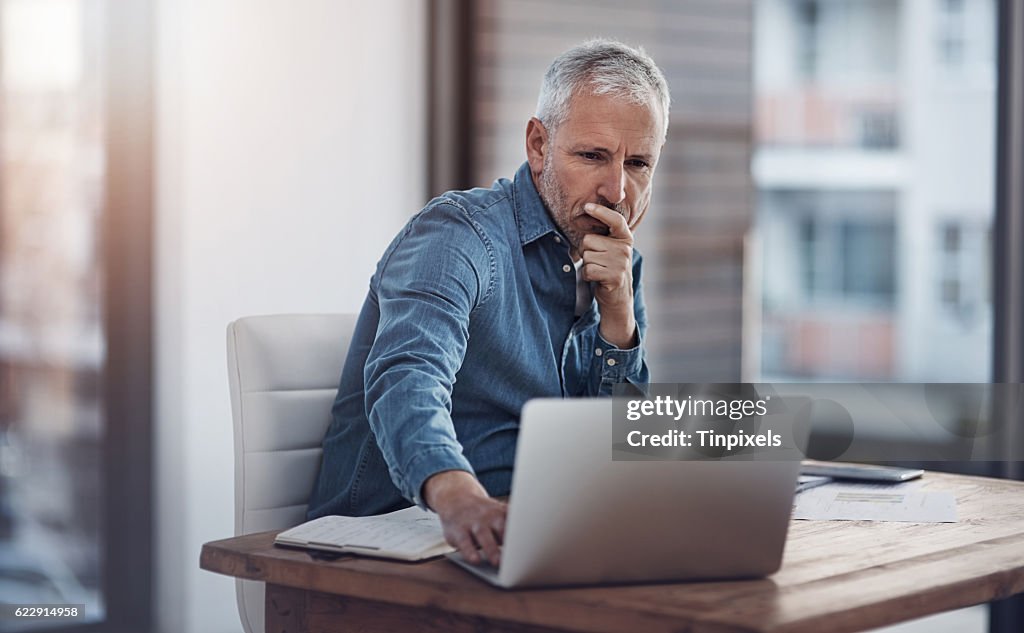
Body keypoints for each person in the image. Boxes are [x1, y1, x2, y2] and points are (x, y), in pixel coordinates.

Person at [307, 39, 670, 568]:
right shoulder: (459, 235)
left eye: (638, 163)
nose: (616, 189)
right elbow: (408, 376)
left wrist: (618, 322)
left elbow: (615, 456)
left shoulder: (617, 265)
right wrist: (460, 498)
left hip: (536, 541)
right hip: (400, 547)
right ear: (539, 145)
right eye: (592, 155)